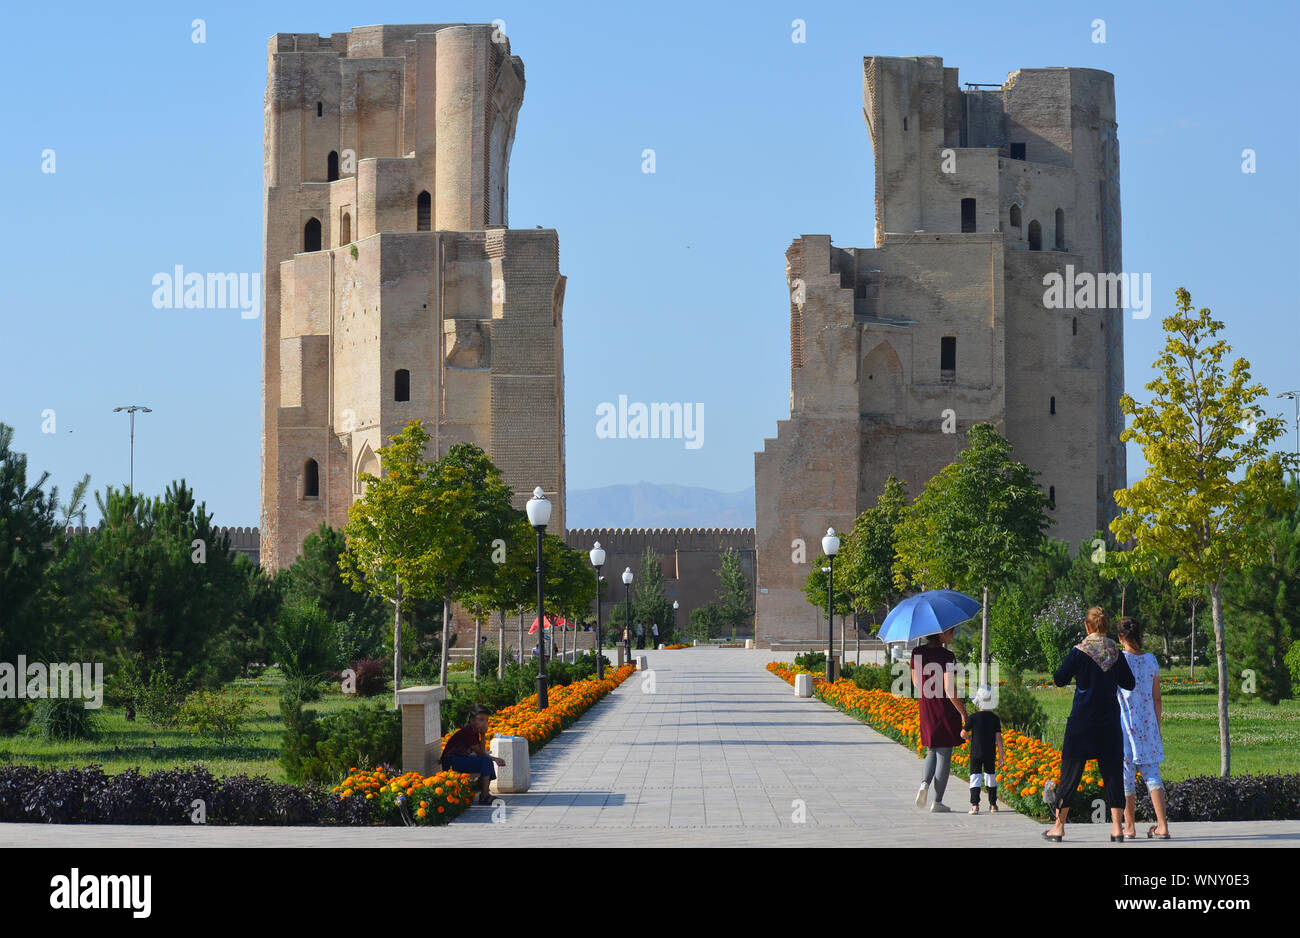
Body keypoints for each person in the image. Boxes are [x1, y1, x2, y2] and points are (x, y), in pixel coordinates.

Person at [1041, 606, 1135, 842]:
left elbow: (1059, 679)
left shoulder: (1079, 652)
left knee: (1071, 773)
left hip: (1082, 721)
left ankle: (1059, 827)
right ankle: (1116, 828)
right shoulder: (1115, 651)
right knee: (1113, 773)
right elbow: (1129, 683)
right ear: (1105, 626)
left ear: (1087, 625)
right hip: (1109, 721)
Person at [1116, 617, 1171, 840]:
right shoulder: (1151, 660)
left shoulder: (1118, 660)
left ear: (1120, 638)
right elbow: (1157, 698)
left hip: (1125, 726)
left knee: (1126, 777)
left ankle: (1129, 827)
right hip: (1148, 725)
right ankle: (1162, 825)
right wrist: (1156, 726)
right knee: (1153, 776)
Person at [911, 628, 967, 813]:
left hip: (926, 707)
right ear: (941, 634)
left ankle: (924, 784)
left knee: (931, 750)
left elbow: (916, 683)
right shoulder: (947, 656)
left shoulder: (917, 652)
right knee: (944, 754)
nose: (953, 635)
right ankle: (938, 801)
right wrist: (963, 712)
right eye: (951, 632)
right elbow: (949, 689)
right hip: (944, 708)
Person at [440, 704, 507, 806]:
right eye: (481, 720)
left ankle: (485, 794)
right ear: (472, 720)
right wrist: (483, 735)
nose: (485, 723)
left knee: (485, 761)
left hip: (460, 759)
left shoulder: (474, 732)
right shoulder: (468, 732)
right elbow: (480, 753)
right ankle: (484, 796)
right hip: (452, 761)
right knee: (485, 761)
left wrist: (495, 759)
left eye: (486, 720)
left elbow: (480, 752)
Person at [962, 686, 1004, 814]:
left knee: (975, 777)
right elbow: (999, 738)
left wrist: (971, 738)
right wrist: (1001, 755)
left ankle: (975, 805)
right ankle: (993, 805)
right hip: (990, 753)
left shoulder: (973, 718)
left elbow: (962, 734)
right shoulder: (995, 718)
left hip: (976, 752)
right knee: (990, 777)